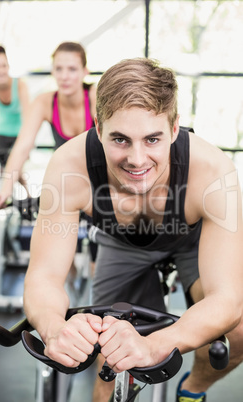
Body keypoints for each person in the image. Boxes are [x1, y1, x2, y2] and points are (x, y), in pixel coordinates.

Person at [22, 58, 243, 402]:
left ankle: (193, 389)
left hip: (193, 242)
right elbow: (44, 276)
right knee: (111, 368)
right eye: (120, 140)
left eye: (152, 139)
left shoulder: (213, 172)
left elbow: (227, 300)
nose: (137, 160)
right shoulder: (69, 167)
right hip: (121, 243)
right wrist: (55, 328)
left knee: (239, 332)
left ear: (174, 129)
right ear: (98, 128)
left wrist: (154, 345)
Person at [0, 41, 96, 208]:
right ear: (52, 71)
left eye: (72, 69)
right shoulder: (44, 102)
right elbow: (22, 147)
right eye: (59, 69)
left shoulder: (95, 97)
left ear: (85, 72)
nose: (64, 76)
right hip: (64, 183)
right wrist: (5, 191)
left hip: (98, 183)